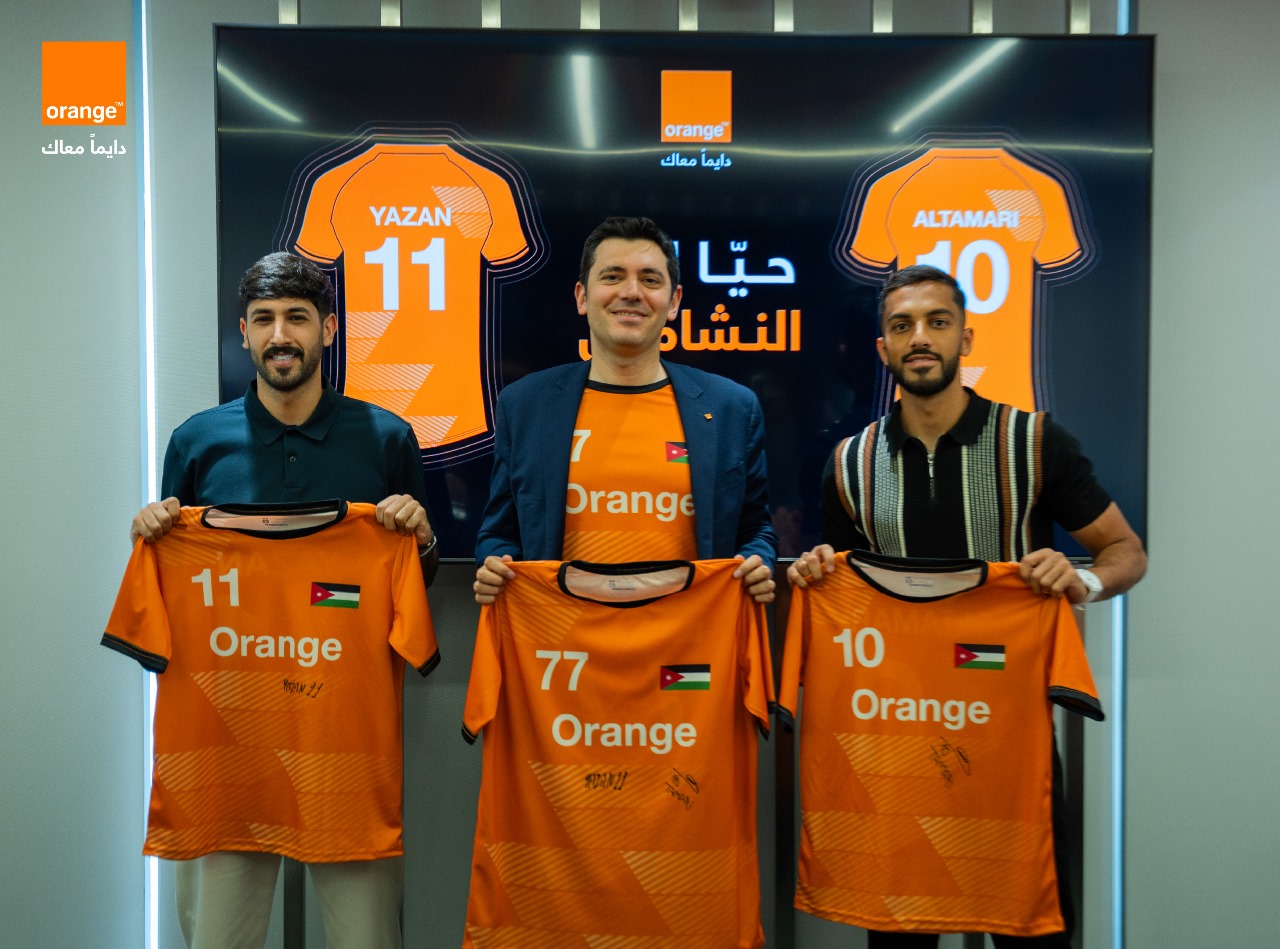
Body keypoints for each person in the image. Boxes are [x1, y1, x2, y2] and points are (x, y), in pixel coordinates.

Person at [788, 263, 1147, 948]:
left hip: (1010, 744)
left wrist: (1084, 582)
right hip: (893, 745)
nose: (920, 338)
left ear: (967, 338)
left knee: (1030, 928)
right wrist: (817, 570)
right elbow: (846, 581)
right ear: (883, 349)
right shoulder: (849, 463)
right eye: (902, 326)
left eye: (937, 322)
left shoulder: (1034, 443)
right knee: (902, 935)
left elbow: (1125, 550)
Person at [128, 252, 439, 949]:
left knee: (366, 937)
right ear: (244, 333)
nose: (280, 335)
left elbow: (413, 587)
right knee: (218, 937)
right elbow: (172, 587)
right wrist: (153, 534)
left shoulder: (387, 437)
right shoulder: (197, 441)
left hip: (345, 749)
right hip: (224, 755)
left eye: (297, 318)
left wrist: (419, 542)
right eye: (264, 319)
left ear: (328, 329)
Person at [473, 215, 777, 604]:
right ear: (582, 297)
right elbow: (499, 533)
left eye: (650, 280)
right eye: (613, 277)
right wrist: (495, 562)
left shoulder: (731, 407)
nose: (631, 292)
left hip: (689, 631)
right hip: (564, 633)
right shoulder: (525, 405)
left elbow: (756, 530)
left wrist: (757, 562)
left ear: (674, 302)